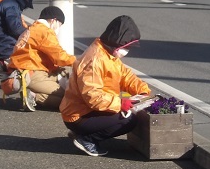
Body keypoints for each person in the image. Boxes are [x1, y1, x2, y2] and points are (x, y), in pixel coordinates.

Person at [59, 15, 151, 157]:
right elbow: (92, 96)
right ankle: (86, 139)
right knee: (129, 120)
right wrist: (120, 103)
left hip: (86, 110)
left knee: (126, 113)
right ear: (118, 43)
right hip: (79, 115)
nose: (127, 51)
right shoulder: (95, 59)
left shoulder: (108, 53)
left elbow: (125, 75)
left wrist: (142, 90)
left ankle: (84, 133)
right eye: (126, 47)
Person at [8, 6, 75, 112]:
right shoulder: (45, 32)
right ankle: (35, 97)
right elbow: (60, 57)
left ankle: (33, 95)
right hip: (33, 74)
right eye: (60, 25)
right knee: (70, 96)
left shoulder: (32, 28)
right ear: (54, 20)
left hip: (25, 72)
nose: (59, 28)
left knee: (66, 85)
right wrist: (79, 61)